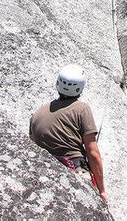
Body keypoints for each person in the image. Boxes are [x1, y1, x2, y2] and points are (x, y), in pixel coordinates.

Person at [30, 64, 107, 204]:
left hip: (42, 167)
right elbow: (93, 152)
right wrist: (102, 191)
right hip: (73, 166)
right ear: (81, 87)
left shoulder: (38, 113)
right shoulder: (82, 109)